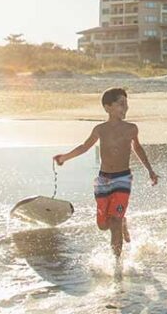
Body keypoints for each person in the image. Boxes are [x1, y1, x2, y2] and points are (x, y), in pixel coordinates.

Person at [53, 87, 159, 258]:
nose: (125, 107)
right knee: (103, 225)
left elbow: (137, 148)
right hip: (103, 180)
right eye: (121, 104)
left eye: (126, 104)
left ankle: (117, 266)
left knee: (114, 222)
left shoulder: (131, 128)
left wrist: (150, 170)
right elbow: (84, 147)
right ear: (107, 107)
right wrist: (65, 157)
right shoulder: (100, 129)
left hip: (123, 178)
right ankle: (122, 220)